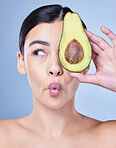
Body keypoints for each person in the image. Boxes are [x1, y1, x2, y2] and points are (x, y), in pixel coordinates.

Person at [0, 4, 116, 148]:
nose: (55, 68)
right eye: (39, 52)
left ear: (85, 63)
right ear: (21, 62)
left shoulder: (111, 137)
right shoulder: (2, 136)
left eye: (72, 52)